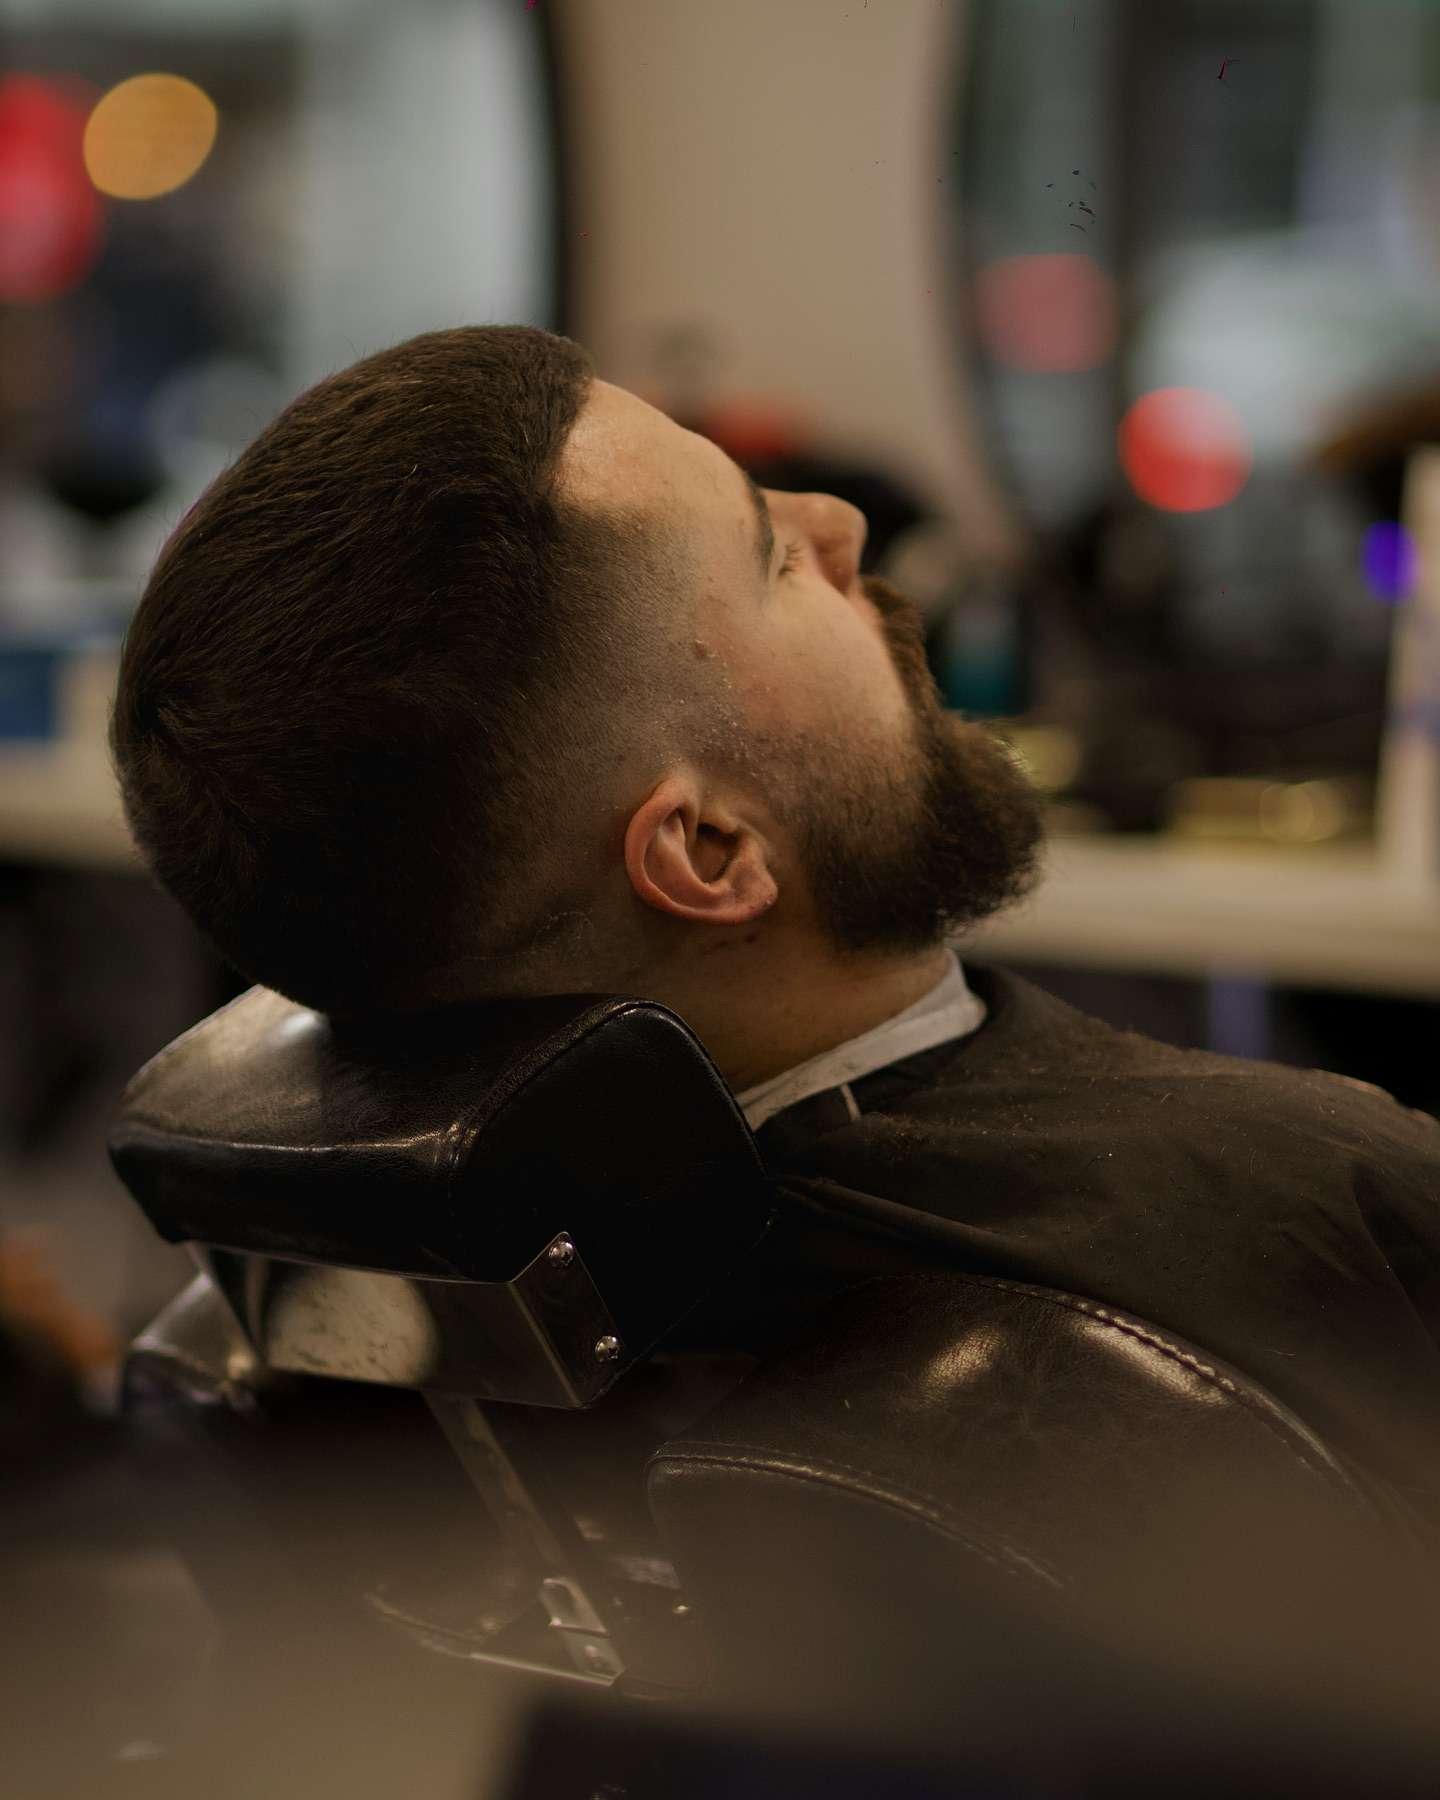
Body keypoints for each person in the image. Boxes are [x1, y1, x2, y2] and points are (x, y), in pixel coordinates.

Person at [108, 325, 1440, 1544]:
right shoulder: (1336, 1209)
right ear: (708, 852)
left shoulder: (299, 1317)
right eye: (774, 558)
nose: (845, 520)